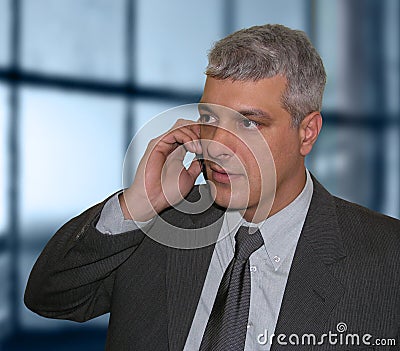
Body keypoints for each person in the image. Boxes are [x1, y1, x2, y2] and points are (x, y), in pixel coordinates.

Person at [25, 24, 400, 351]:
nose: (217, 145)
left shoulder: (387, 257)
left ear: (307, 133)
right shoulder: (155, 225)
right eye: (209, 118)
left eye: (249, 124)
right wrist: (137, 204)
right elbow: (51, 298)